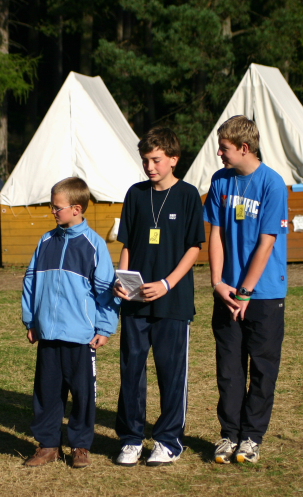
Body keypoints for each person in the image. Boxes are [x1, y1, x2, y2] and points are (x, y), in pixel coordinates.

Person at [113, 127, 205, 467]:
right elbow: (128, 244)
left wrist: (167, 284)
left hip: (172, 302)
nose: (149, 167)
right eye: (145, 161)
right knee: (131, 372)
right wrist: (122, 280)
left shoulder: (188, 195)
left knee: (170, 373)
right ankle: (131, 439)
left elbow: (194, 247)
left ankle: (168, 441)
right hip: (135, 302)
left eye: (156, 160)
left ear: (173, 159)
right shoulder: (135, 194)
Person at [203, 115, 288, 464]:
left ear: (244, 147)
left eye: (224, 148)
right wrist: (218, 283)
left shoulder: (272, 184)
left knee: (262, 370)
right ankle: (229, 435)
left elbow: (267, 242)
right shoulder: (220, 181)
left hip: (263, 295)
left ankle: (252, 438)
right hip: (227, 293)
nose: (219, 154)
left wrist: (246, 291)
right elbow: (215, 234)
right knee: (229, 369)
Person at [21, 177, 119, 469]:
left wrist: (104, 327)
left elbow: (106, 290)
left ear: (76, 209)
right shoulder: (45, 241)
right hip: (48, 334)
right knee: (47, 393)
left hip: (81, 336)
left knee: (83, 395)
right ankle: (48, 445)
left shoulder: (94, 244)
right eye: (52, 206)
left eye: (57, 207)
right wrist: (31, 320)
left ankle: (80, 446)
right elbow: (30, 282)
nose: (52, 211)